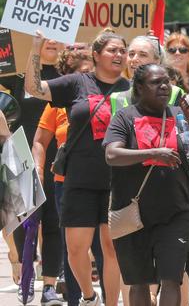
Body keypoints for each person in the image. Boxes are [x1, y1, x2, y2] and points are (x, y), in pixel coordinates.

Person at [24, 29, 131, 306]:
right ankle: (88, 296)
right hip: (79, 180)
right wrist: (36, 46)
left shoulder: (132, 90)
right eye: (112, 50)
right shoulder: (76, 83)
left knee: (111, 249)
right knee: (75, 249)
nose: (119, 55)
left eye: (123, 50)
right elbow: (34, 88)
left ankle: (110, 303)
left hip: (117, 181)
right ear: (96, 55)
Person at [104, 63, 189, 306]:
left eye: (166, 82)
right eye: (155, 82)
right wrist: (154, 153)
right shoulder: (125, 117)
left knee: (171, 279)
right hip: (133, 214)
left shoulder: (179, 116)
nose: (163, 86)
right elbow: (112, 155)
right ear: (139, 87)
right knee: (139, 282)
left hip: (176, 213)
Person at [0, 33, 64, 303]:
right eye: (44, 38)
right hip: (20, 154)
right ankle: (20, 266)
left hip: (55, 155)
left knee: (53, 220)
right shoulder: (15, 76)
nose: (51, 41)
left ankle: (49, 284)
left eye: (56, 38)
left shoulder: (67, 76)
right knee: (22, 215)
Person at [32, 49, 98, 306]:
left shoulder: (111, 96)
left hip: (105, 182)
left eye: (90, 72)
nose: (87, 78)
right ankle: (76, 297)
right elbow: (40, 141)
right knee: (73, 247)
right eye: (81, 74)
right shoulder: (56, 106)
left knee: (107, 248)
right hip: (67, 185)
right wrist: (38, 170)